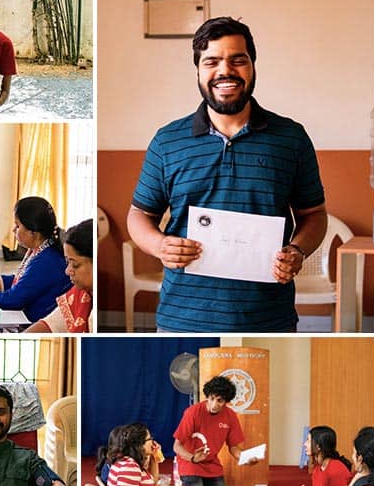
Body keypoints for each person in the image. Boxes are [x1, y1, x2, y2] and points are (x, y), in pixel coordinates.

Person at [127, 16, 327, 331]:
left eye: (238, 60)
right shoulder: (167, 140)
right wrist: (158, 245)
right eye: (212, 61)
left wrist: (298, 250)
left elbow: (314, 214)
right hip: (182, 318)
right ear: (198, 70)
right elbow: (139, 213)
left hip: (269, 319)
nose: (225, 71)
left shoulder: (291, 138)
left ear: (253, 66)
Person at [173, 375, 258, 486]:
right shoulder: (192, 412)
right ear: (207, 396)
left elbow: (234, 448)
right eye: (212, 399)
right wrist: (192, 457)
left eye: (220, 401)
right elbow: (176, 447)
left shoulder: (230, 416)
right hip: (190, 464)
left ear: (226, 401)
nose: (214, 404)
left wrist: (245, 458)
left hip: (212, 465)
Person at [25, 218, 93, 333]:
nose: (67, 271)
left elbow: (17, 296)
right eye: (68, 262)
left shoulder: (46, 260)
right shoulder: (79, 293)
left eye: (75, 264)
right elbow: (51, 324)